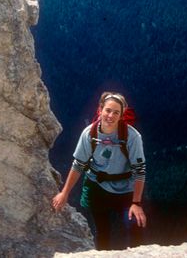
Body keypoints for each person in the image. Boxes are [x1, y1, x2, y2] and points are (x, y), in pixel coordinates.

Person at [51, 92, 147, 250]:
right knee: (103, 232)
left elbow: (139, 170)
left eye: (116, 112)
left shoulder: (132, 137)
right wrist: (65, 192)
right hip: (97, 187)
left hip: (126, 189)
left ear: (122, 115)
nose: (111, 115)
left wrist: (136, 203)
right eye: (108, 110)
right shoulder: (89, 134)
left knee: (134, 225)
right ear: (100, 110)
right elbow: (78, 164)